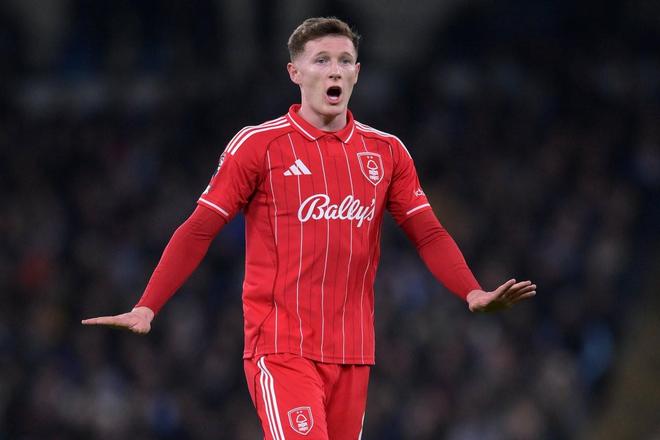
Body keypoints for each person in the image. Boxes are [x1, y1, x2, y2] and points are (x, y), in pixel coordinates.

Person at [82, 17, 536, 440]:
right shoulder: (259, 145)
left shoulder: (387, 153)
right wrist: (148, 306)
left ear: (356, 73)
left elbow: (429, 233)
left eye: (344, 61)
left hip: (354, 354)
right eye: (321, 60)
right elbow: (200, 228)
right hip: (281, 349)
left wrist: (472, 292)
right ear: (295, 73)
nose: (334, 70)